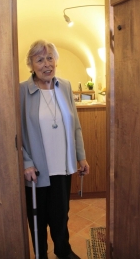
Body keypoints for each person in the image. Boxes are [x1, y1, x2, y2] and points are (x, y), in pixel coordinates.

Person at [20, 40, 90, 259]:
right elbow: (16, 130)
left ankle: (63, 250)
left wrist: (82, 157)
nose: (46, 64)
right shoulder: (22, 90)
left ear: (56, 61)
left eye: (50, 58)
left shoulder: (65, 86)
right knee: (38, 217)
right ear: (31, 64)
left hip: (62, 164)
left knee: (61, 215)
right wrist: (26, 162)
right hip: (37, 169)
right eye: (39, 59)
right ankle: (41, 254)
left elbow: (75, 124)